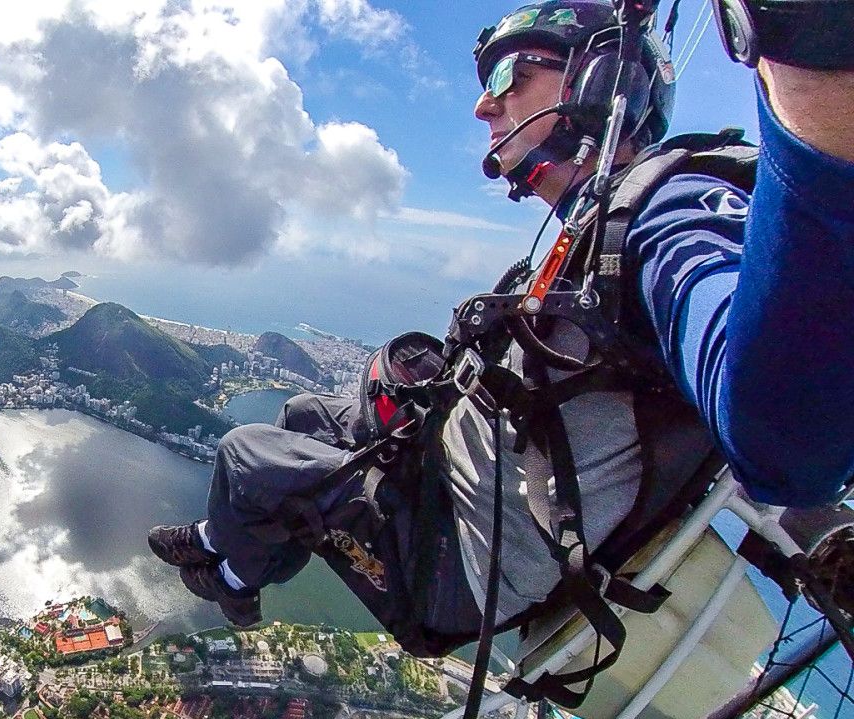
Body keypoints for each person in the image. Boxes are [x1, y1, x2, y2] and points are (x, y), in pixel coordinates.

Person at [149, 0, 854, 650]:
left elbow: (786, 436)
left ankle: (233, 581)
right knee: (306, 411)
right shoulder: (595, 226)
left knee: (247, 452)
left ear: (599, 79)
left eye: (513, 75)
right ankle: (223, 542)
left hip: (464, 562)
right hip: (464, 489)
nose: (486, 104)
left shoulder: (669, 211)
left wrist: (811, 49)